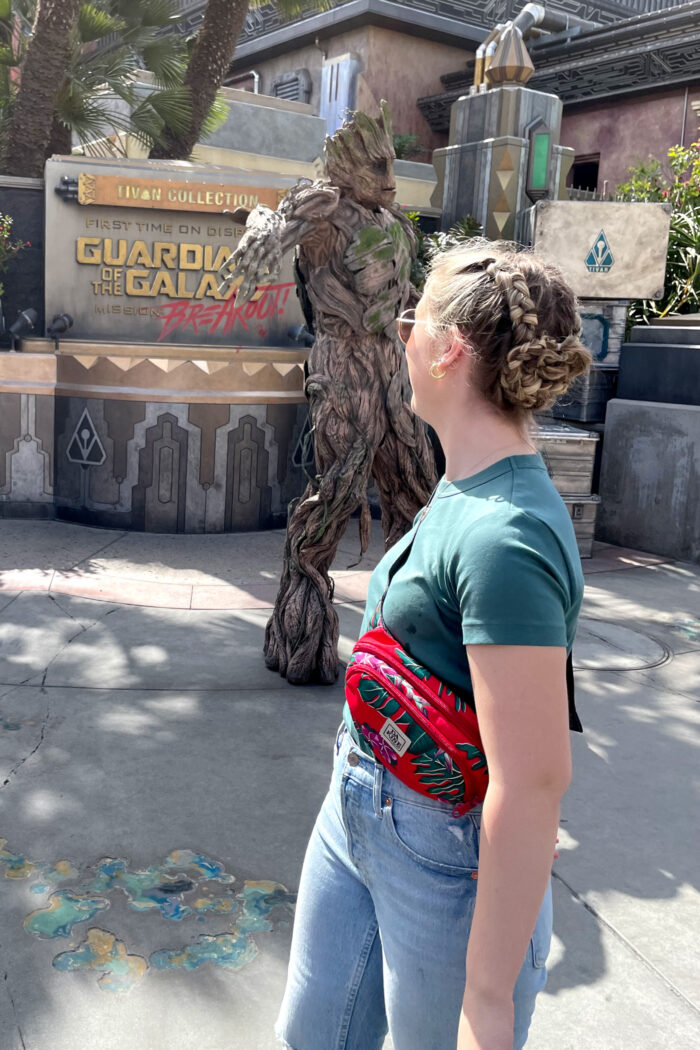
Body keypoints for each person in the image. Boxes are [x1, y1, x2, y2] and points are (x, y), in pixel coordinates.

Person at [275, 242, 592, 1050]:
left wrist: (486, 1002)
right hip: (361, 808)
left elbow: (534, 780)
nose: (403, 329)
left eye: (415, 314)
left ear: (449, 349)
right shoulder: (467, 478)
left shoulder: (506, 536)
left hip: (441, 850)